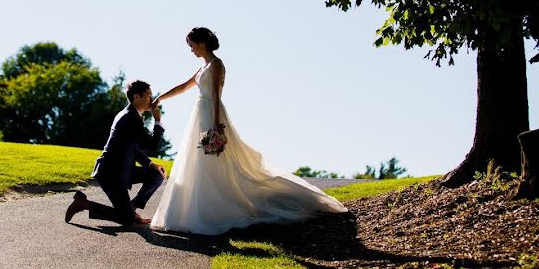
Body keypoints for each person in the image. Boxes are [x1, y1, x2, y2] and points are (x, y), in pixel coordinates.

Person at [150, 27, 348, 235]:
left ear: (201, 43)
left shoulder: (216, 65)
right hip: (199, 115)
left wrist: (216, 124)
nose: (191, 50)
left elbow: (216, 95)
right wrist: (161, 98)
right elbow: (184, 86)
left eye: (191, 45)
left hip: (211, 115)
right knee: (200, 161)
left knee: (214, 161)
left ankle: (216, 208)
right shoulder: (203, 67)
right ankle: (199, 208)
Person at [64, 80, 167, 226]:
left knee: (157, 174)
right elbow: (152, 145)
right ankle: (83, 204)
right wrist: (158, 121)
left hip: (123, 170)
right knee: (127, 220)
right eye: (149, 95)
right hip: (110, 173)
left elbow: (133, 148)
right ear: (137, 97)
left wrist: (150, 164)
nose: (152, 98)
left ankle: (131, 208)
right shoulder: (130, 118)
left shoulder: (132, 115)